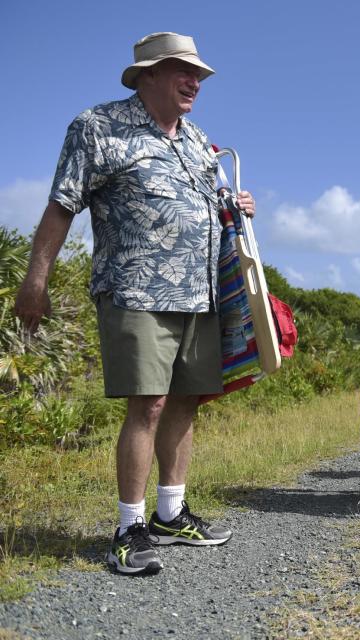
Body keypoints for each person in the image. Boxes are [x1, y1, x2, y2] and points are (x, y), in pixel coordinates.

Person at [14, 32, 257, 575]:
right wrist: (36, 281)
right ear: (147, 75)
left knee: (187, 400)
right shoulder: (96, 127)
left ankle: (171, 514)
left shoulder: (198, 140)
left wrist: (237, 204)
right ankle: (129, 527)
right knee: (147, 403)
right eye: (182, 71)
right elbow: (61, 207)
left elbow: (215, 209)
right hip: (135, 290)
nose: (195, 81)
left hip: (203, 295)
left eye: (198, 75)